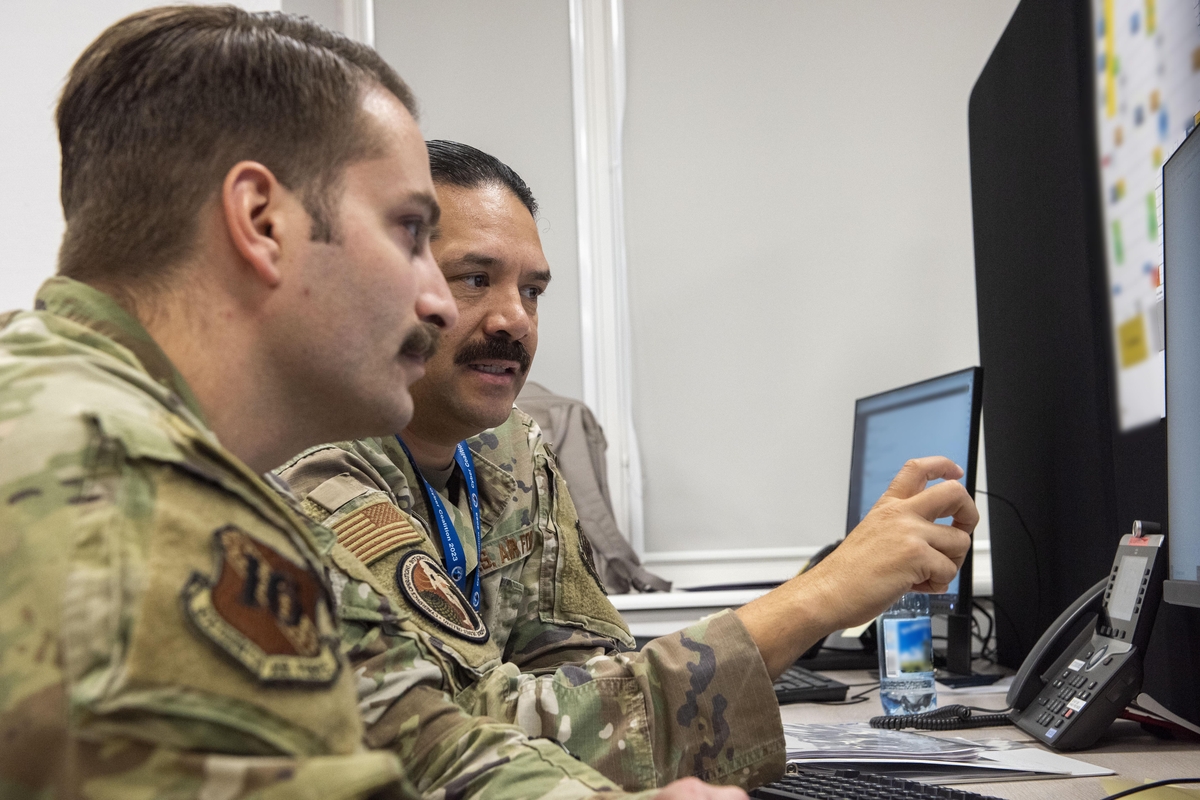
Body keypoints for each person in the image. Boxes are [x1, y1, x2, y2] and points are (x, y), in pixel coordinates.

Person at [0, 8, 746, 800]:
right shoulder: (123, 496)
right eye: (411, 233)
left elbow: (416, 737)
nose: (434, 298)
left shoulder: (189, 460)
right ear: (262, 222)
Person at [277, 142, 978, 791]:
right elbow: (452, 743)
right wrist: (817, 598)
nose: (513, 319)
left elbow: (583, 675)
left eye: (532, 291)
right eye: (475, 279)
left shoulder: (512, 450)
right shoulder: (316, 470)